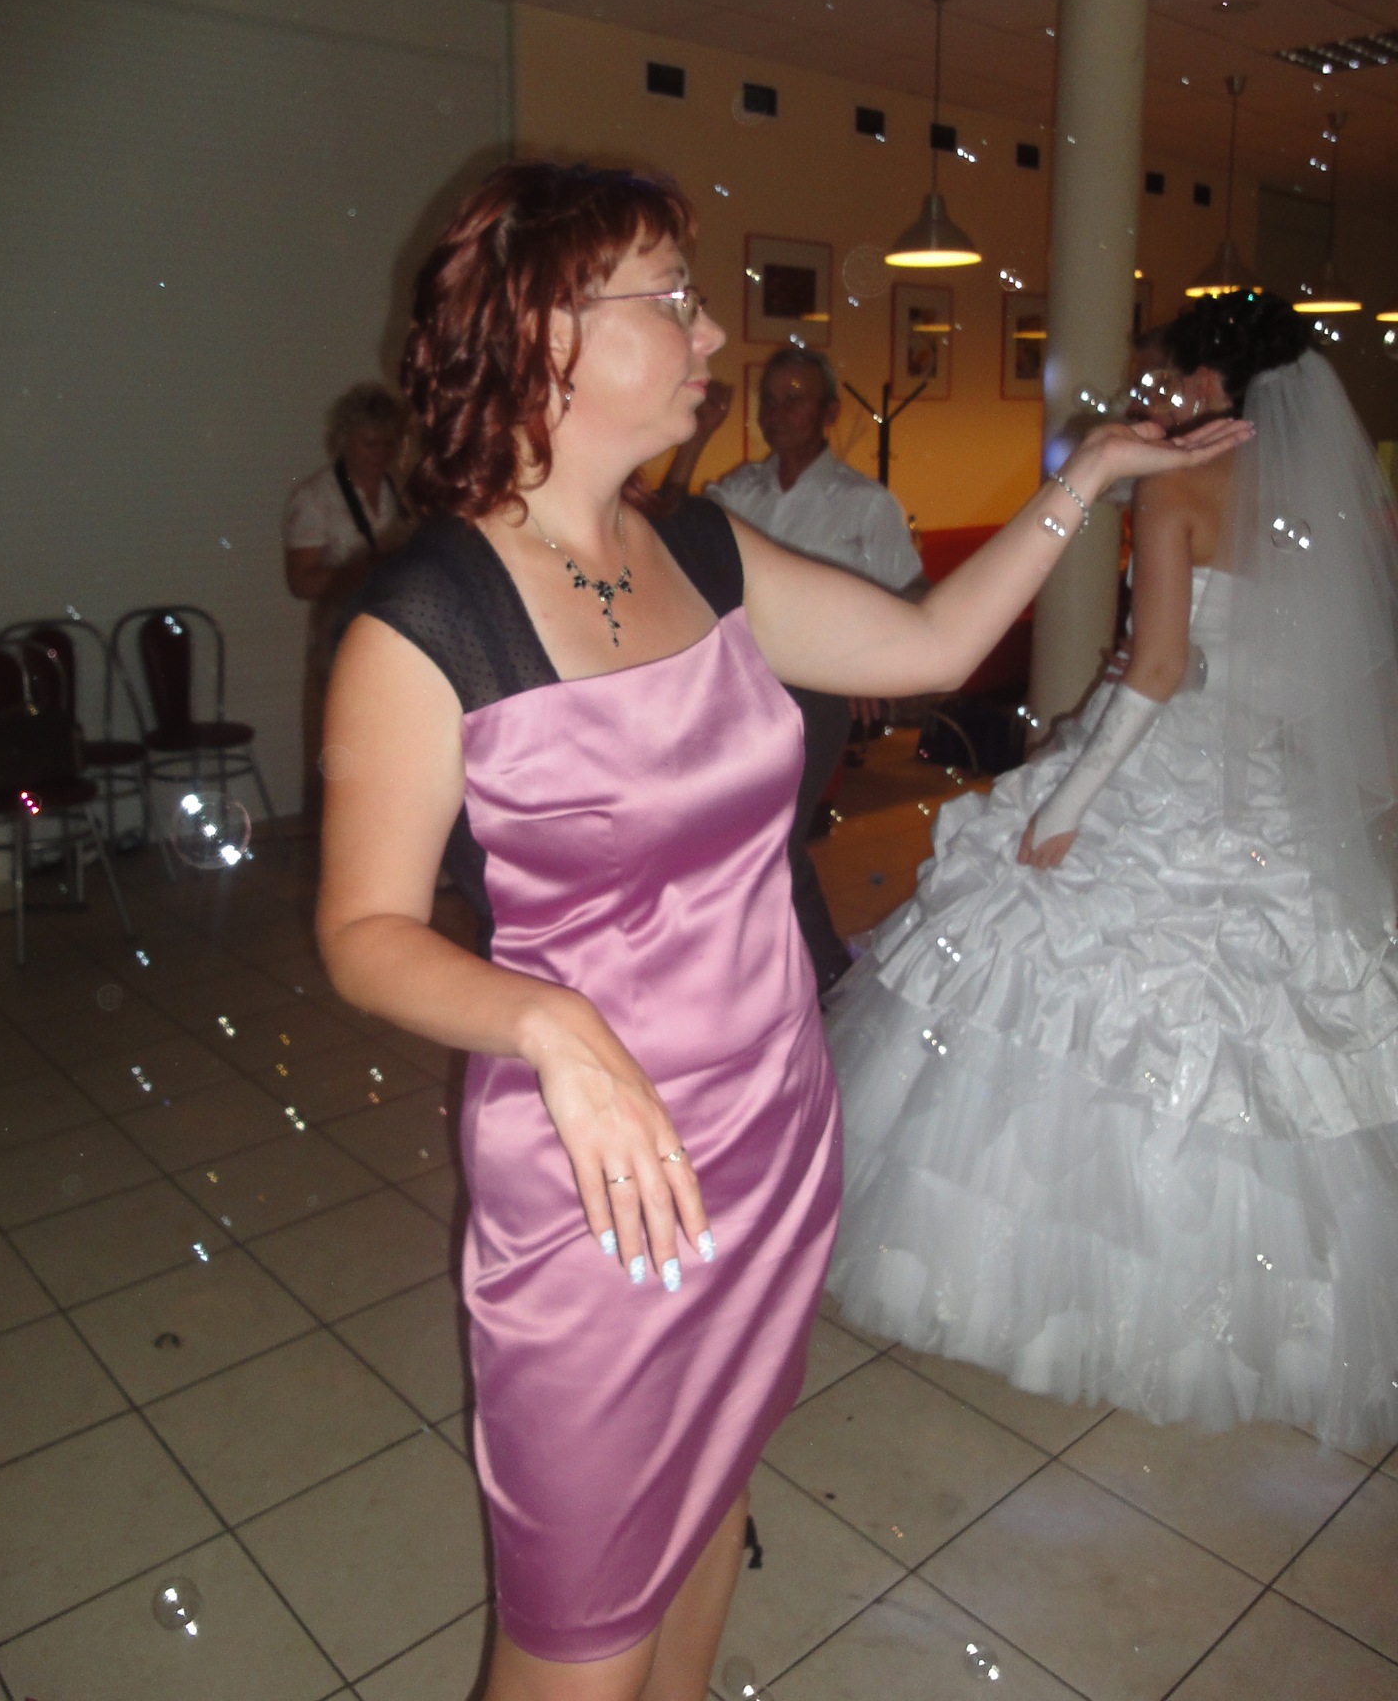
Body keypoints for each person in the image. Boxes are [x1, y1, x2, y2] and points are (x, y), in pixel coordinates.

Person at [314, 159, 1246, 1701]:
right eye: (671, 302)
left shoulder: (699, 549)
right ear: (547, 333)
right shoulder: (428, 615)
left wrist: (1091, 473)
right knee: (574, 1644)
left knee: (703, 1538)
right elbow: (362, 930)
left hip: (769, 1127)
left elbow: (933, 644)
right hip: (598, 1180)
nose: (712, 338)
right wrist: (550, 1021)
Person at [827, 290, 1398, 1455]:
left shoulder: (1176, 484)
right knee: (1265, 1037)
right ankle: (1248, 1316)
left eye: (1171, 376)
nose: (1159, 396)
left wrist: (1071, 800)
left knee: (1052, 993)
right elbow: (1313, 659)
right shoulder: (1325, 499)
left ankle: (1051, 1287)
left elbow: (1162, 666)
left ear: (1209, 384)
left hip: (1159, 758)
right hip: (1260, 774)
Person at [662, 347, 926, 991]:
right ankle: (756, 974)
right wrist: (694, 441)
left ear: (830, 412)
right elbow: (664, 530)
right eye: (771, 400)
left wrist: (866, 668)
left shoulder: (864, 503)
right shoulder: (738, 492)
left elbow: (911, 598)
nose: (778, 413)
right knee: (725, 837)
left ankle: (829, 978)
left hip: (813, 694)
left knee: (774, 841)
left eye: (795, 399)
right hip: (728, 688)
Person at [283, 382, 410, 813]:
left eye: (388, 444)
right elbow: (300, 583)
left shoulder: (402, 492)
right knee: (342, 754)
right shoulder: (314, 499)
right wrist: (363, 570)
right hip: (338, 635)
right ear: (343, 439)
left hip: (397, 633)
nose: (380, 454)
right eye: (369, 443)